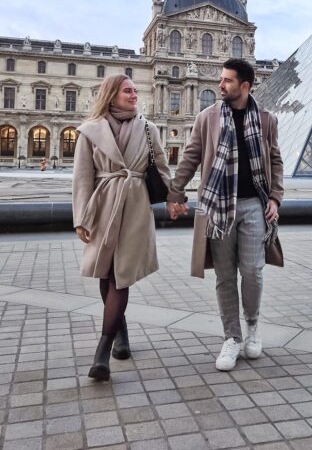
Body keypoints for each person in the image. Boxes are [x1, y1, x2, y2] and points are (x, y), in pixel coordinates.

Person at [167, 58, 284, 372]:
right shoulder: (207, 117)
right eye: (221, 79)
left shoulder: (266, 119)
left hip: (253, 205)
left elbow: (275, 160)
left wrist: (275, 196)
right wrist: (175, 191)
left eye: (227, 81)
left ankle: (253, 327)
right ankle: (232, 337)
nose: (220, 85)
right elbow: (191, 155)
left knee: (253, 271)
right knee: (224, 277)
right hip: (217, 205)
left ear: (245, 86)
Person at [72, 75, 171, 381]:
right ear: (111, 96)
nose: (134, 95)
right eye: (128, 91)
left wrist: (174, 198)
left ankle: (102, 352)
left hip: (134, 208)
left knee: (120, 276)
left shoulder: (148, 128)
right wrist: (80, 218)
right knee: (106, 273)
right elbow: (82, 178)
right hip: (102, 207)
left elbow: (164, 171)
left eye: (134, 91)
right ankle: (121, 333)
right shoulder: (89, 131)